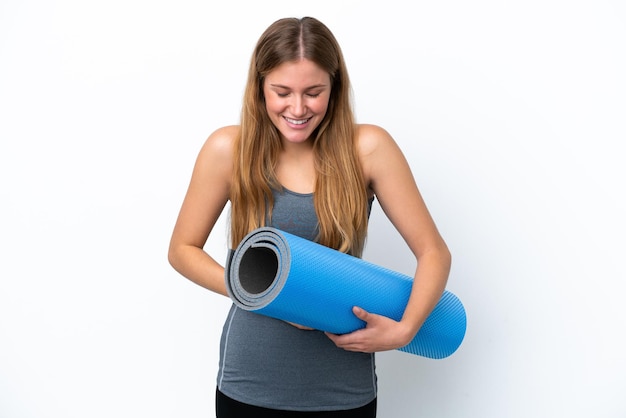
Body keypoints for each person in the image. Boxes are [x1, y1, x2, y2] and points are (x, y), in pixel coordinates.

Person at [168, 16, 451, 418]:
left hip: (341, 388)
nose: (297, 108)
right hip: (250, 383)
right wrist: (268, 296)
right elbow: (182, 249)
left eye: (313, 92)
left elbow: (434, 253)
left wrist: (404, 330)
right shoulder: (227, 149)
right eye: (282, 92)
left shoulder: (368, 149)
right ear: (259, 88)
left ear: (334, 90)